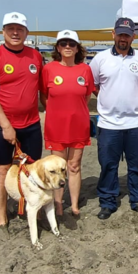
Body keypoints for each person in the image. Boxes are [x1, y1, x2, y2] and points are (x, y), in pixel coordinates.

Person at [0, 12, 44, 228]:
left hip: (31, 124)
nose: (15, 33)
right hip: (2, 126)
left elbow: (42, 91)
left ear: (26, 32)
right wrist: (6, 126)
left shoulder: (35, 56)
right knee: (1, 171)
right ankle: (1, 217)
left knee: (32, 170)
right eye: (10, 28)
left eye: (20, 29)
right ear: (3, 31)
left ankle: (32, 210)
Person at [90, 17, 138, 219]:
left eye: (127, 34)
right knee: (108, 165)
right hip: (108, 124)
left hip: (136, 122)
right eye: (120, 34)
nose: (123, 38)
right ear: (113, 35)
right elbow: (95, 86)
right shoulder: (100, 59)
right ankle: (108, 201)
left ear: (133, 36)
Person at [40, 30, 94, 217]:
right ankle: (58, 204)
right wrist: (58, 113)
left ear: (78, 47)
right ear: (58, 47)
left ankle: (74, 204)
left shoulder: (85, 70)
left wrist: (74, 112)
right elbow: (44, 97)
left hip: (79, 125)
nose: (68, 47)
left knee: (74, 165)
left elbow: (86, 96)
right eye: (64, 44)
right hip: (56, 126)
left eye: (72, 44)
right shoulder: (49, 69)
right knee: (58, 167)